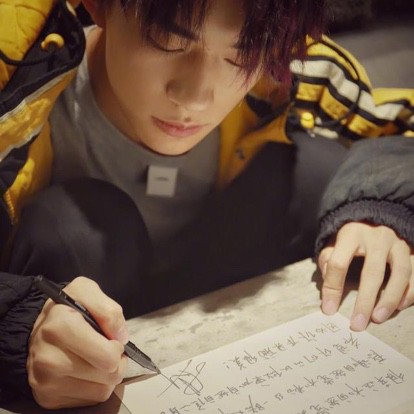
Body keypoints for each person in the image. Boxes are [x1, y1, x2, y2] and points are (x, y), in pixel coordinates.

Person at [0, 0, 413, 409]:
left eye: (240, 56)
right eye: (166, 42)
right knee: (74, 230)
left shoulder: (284, 61)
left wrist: (381, 208)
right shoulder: (17, 74)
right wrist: (20, 329)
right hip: (87, 368)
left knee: (317, 170)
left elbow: (400, 128)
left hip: (222, 319)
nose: (195, 98)